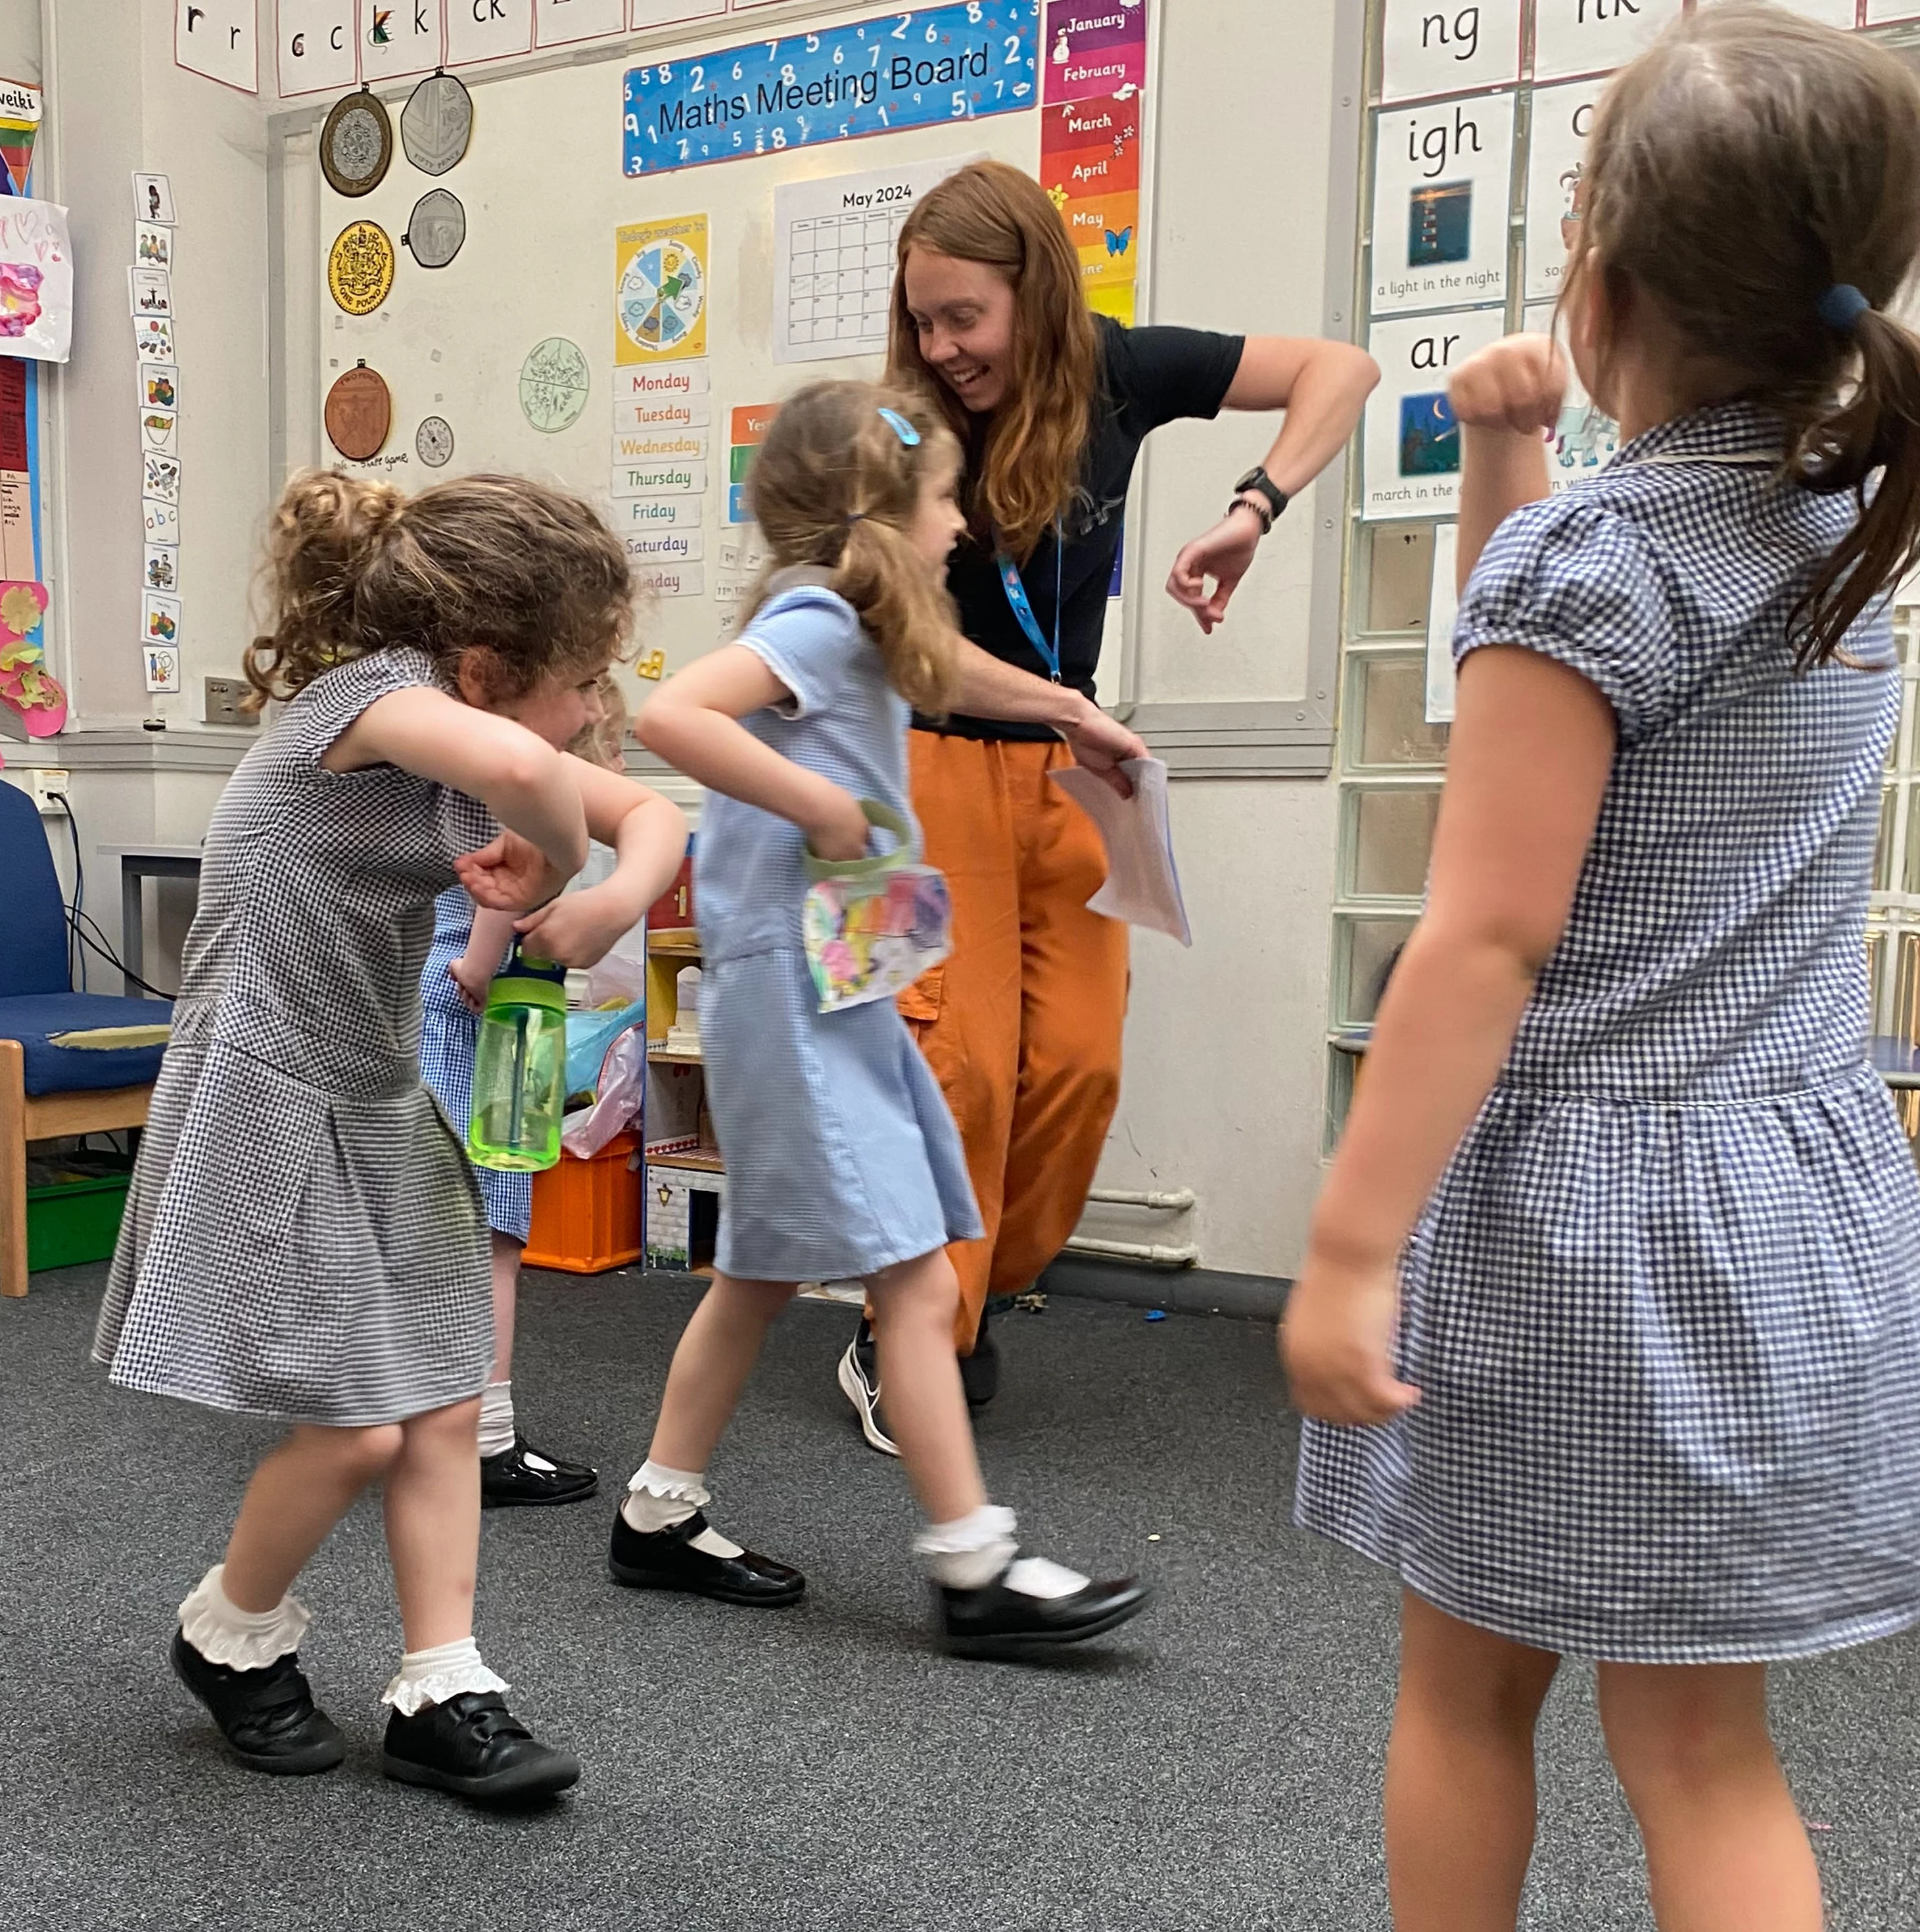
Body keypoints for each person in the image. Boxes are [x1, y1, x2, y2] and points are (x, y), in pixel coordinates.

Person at [1281, 11, 1920, 1931]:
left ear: (1600, 272)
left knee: (1467, 1692)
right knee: (1700, 1749)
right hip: (1779, 1202)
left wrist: (1344, 1246)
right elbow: (1540, 690)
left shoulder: (1598, 572)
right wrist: (1511, 447)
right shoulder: (1835, 529)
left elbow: (1486, 922)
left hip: (1583, 1226)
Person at [93, 472, 688, 1804]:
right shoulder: (365, 702)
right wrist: (550, 856)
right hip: (263, 1082)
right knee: (358, 1424)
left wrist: (600, 898)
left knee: (443, 1390)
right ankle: (230, 1630)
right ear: (483, 666)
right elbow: (539, 773)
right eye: (581, 676)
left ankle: (443, 1680)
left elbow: (647, 816)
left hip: (371, 1089)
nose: (593, 707)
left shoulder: (466, 730)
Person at [833, 158, 1380, 1451]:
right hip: (926, 756)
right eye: (918, 318)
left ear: (1033, 290)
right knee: (952, 1071)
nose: (937, 344)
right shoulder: (897, 434)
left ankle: (964, 1296)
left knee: (1074, 1066)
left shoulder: (1115, 369)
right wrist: (1059, 705)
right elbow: (890, 640)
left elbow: (1338, 372)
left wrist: (1253, 507)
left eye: (961, 314)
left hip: (1066, 771)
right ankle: (905, 1326)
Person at [612, 380, 1149, 1657]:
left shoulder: (861, 625)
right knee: (913, 1275)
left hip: (826, 988)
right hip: (791, 997)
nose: (963, 522)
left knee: (753, 1270)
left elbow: (947, 667)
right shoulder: (809, 616)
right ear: (883, 514)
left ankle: (657, 1509)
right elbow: (667, 712)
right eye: (946, 497)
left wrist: (1068, 709)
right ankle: (972, 1561)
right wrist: (817, 805)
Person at [421, 673, 634, 1507]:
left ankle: (421, 1419)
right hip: (478, 1011)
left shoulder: (463, 777)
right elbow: (503, 910)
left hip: (430, 1002)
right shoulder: (531, 804)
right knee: (493, 1230)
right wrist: (480, 969)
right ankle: (484, 1443)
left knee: (443, 1222)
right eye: (610, 747)